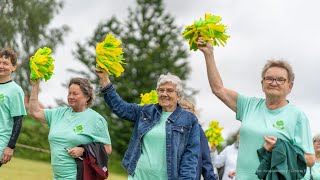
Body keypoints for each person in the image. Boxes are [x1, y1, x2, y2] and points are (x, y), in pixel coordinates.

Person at [197, 38, 315, 180]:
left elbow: (309, 159)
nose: (274, 83)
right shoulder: (249, 105)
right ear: (262, 83)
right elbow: (218, 89)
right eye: (269, 78)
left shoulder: (297, 116)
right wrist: (209, 54)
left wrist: (280, 148)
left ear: (290, 86)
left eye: (280, 79)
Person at [96, 70, 200, 180]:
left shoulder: (189, 120)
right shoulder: (146, 111)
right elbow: (121, 108)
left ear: (178, 96)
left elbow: (190, 157)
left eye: (169, 90)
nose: (164, 94)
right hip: (138, 176)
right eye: (161, 90)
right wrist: (104, 80)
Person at [28, 77, 112, 179]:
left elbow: (107, 148)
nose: (70, 97)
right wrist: (35, 86)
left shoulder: (96, 119)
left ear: (87, 97)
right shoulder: (59, 113)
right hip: (57, 177)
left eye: (75, 94)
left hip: (79, 176)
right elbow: (34, 112)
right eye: (69, 93)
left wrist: (83, 150)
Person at [179, 97, 217, 180]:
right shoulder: (169, 130)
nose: (184, 111)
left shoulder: (198, 131)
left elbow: (205, 160)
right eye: (180, 108)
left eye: (187, 108)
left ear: (193, 111)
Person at [0, 48, 27, 166]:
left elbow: (18, 120)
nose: (1, 66)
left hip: (1, 141)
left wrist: (10, 146)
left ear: (14, 67)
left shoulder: (15, 90)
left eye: (5, 63)